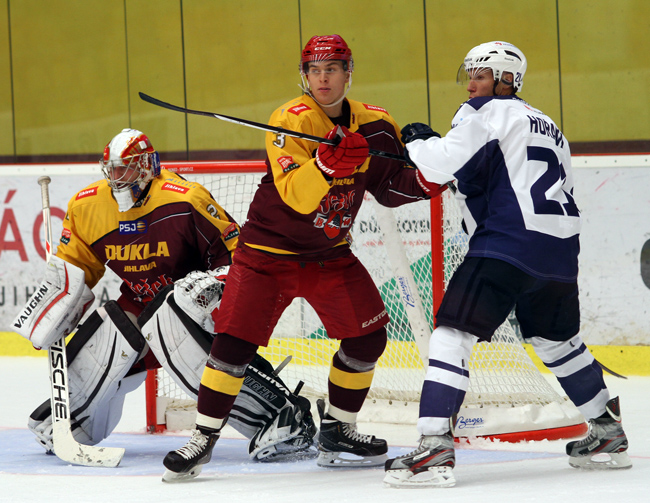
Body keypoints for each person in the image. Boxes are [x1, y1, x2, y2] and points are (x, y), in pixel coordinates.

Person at [162, 34, 447, 482]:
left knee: (367, 339)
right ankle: (202, 438)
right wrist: (327, 166)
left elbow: (391, 189)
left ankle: (338, 431)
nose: (322, 78)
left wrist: (436, 170)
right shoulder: (290, 120)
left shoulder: (376, 123)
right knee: (233, 346)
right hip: (266, 255)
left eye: (331, 69)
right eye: (314, 70)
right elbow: (296, 195)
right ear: (304, 76)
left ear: (348, 73)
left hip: (329, 255)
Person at [383, 41, 632, 488]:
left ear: (506, 80)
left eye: (481, 75)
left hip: (507, 243)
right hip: (559, 250)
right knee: (557, 342)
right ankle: (606, 432)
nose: (471, 85)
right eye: (470, 76)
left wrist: (419, 142)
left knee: (452, 333)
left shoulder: (486, 113)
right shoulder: (551, 126)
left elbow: (440, 166)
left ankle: (434, 444)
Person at [13, 128, 316, 462]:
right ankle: (72, 418)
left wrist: (214, 283)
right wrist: (57, 305)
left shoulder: (185, 199)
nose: (117, 177)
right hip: (141, 307)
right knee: (113, 325)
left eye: (126, 168)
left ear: (146, 166)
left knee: (171, 318)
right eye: (112, 169)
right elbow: (76, 271)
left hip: (196, 312)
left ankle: (282, 417)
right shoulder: (87, 206)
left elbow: (238, 254)